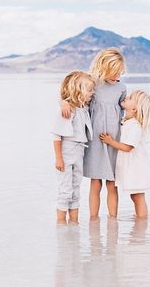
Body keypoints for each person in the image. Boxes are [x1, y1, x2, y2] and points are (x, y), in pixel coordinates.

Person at [62, 48, 126, 219]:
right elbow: (73, 95)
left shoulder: (121, 87)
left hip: (113, 140)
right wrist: (63, 103)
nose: (117, 76)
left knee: (112, 183)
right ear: (103, 67)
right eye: (114, 72)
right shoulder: (92, 84)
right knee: (95, 182)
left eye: (120, 72)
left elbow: (126, 112)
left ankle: (113, 220)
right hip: (95, 140)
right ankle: (93, 220)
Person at [99, 90, 150, 219]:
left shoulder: (135, 126)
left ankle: (142, 221)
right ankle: (139, 219)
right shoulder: (125, 121)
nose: (126, 97)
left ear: (135, 109)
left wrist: (110, 142)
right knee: (134, 195)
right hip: (129, 166)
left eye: (130, 98)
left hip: (135, 167)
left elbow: (128, 147)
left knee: (137, 195)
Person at [52, 71, 95, 224]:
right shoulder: (67, 110)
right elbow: (57, 136)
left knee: (76, 188)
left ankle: (74, 224)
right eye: (89, 90)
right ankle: (61, 224)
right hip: (66, 152)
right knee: (65, 190)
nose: (92, 93)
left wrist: (62, 101)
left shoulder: (83, 108)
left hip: (79, 151)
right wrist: (59, 159)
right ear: (78, 90)